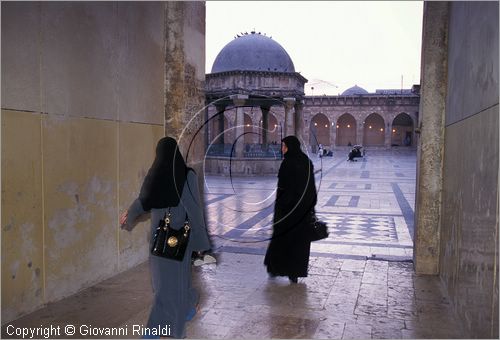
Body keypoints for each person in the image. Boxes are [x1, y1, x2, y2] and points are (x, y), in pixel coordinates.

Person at [119, 137, 211, 339]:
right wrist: (200, 243)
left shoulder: (174, 175)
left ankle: (154, 332)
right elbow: (144, 200)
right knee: (169, 285)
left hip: (169, 241)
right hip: (173, 242)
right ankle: (188, 307)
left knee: (167, 288)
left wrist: (200, 243)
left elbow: (144, 201)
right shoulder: (185, 175)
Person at [264, 136, 317, 283]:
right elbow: (311, 188)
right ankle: (295, 271)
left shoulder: (287, 164)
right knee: (299, 243)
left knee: (282, 239)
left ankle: (275, 268)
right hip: (303, 210)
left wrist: (281, 207)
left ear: (290, 147)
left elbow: (283, 189)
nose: (282, 149)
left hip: (287, 211)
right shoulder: (307, 162)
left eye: (284, 147)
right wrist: (311, 206)